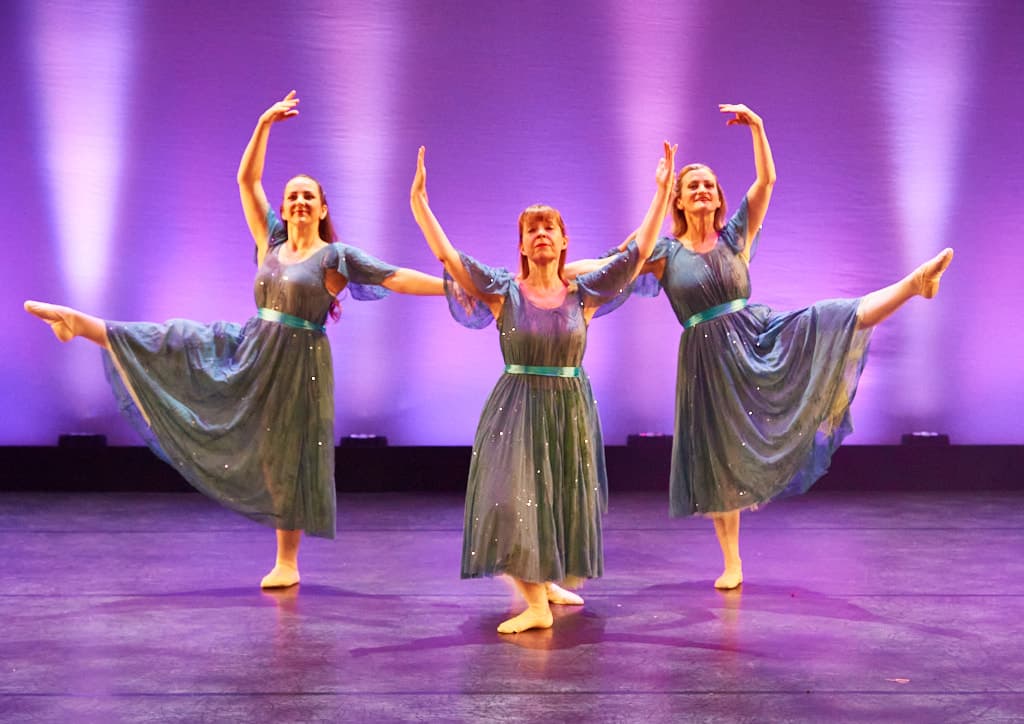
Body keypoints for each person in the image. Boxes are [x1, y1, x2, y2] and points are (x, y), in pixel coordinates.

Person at [24, 91, 444, 589]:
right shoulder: (271, 240)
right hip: (253, 347)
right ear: (285, 208)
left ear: (322, 208)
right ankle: (79, 323)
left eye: (308, 196)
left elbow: (396, 277)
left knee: (285, 455)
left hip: (299, 363)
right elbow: (247, 180)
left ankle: (287, 561)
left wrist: (452, 285)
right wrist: (264, 123)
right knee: (177, 339)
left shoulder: (335, 257)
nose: (299, 201)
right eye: (293, 196)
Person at [569, 103, 953, 590]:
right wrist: (555, 274)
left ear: (718, 198)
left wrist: (758, 128)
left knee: (830, 316)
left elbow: (766, 181)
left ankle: (914, 284)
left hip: (756, 336)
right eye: (693, 186)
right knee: (719, 456)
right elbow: (607, 267)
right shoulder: (664, 253)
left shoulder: (735, 237)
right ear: (679, 201)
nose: (703, 190)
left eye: (709, 185)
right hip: (707, 360)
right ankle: (732, 562)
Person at [410, 141, 676, 633]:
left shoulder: (585, 293)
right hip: (517, 406)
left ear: (563, 239)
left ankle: (547, 582)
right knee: (514, 499)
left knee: (557, 497)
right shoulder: (502, 291)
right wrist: (420, 205)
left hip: (570, 406)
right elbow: (448, 257)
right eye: (531, 230)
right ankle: (535, 606)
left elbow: (638, 253)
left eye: (548, 227)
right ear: (522, 245)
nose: (540, 235)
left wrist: (662, 192)